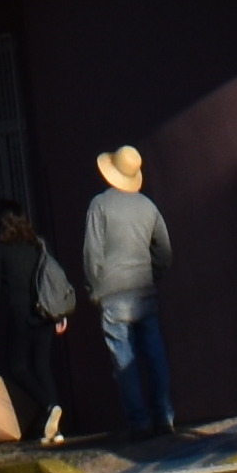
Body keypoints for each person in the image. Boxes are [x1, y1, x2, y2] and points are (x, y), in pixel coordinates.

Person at [81, 141, 177, 439]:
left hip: (112, 293)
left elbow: (91, 253)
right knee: (155, 354)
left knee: (124, 360)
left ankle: (139, 422)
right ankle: (165, 416)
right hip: (144, 290)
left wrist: (93, 287)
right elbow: (164, 251)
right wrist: (153, 275)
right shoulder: (148, 207)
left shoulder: (100, 205)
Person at [0, 194, 78, 448]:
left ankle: (50, 405)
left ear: (0, 220)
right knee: (42, 367)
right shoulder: (37, 243)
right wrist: (60, 313)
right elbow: (52, 278)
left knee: (18, 366)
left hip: (20, 315)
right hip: (45, 313)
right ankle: (54, 428)